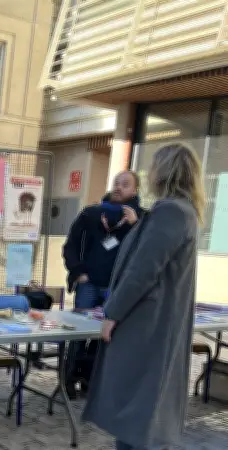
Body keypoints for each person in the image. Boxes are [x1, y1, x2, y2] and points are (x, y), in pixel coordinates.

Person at [82, 143, 205, 450]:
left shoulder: (171, 211)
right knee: (140, 409)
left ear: (166, 170)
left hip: (147, 324)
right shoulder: (180, 211)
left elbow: (143, 270)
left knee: (136, 410)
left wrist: (112, 313)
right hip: (154, 322)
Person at [62, 170, 144, 397]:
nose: (119, 187)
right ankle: (67, 381)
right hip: (87, 284)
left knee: (103, 337)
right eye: (116, 182)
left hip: (116, 289)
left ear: (135, 191)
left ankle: (89, 381)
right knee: (77, 334)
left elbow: (146, 253)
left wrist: (135, 226)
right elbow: (70, 246)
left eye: (125, 184)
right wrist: (78, 272)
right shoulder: (92, 213)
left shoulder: (142, 219)